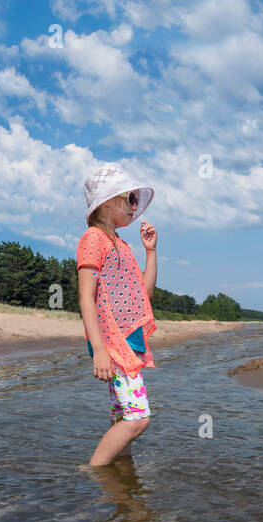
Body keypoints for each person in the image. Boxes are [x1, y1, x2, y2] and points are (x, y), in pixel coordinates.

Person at [76, 164, 159, 465]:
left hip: (129, 340)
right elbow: (86, 297)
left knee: (123, 417)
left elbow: (143, 295)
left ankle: (119, 476)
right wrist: (99, 350)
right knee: (138, 419)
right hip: (113, 344)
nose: (135, 206)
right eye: (131, 198)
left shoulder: (121, 244)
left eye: (137, 199)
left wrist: (150, 252)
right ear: (108, 202)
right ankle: (93, 470)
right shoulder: (94, 239)